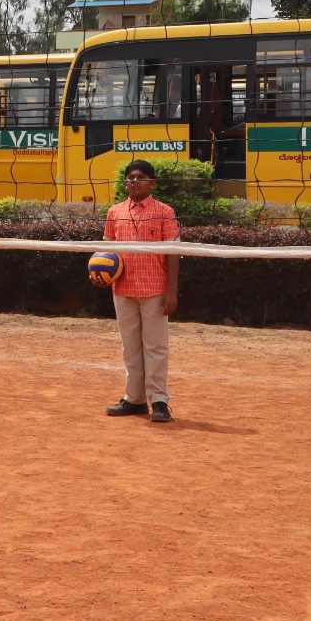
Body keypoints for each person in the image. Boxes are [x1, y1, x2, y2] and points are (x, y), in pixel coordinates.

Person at [97, 159, 180, 424]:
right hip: (122, 289)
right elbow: (106, 253)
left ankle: (159, 401)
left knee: (155, 347)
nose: (134, 181)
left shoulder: (165, 212)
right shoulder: (115, 212)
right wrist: (98, 275)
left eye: (141, 177)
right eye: (130, 177)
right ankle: (134, 400)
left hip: (155, 289)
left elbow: (174, 254)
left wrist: (172, 292)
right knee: (130, 348)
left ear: (152, 183)